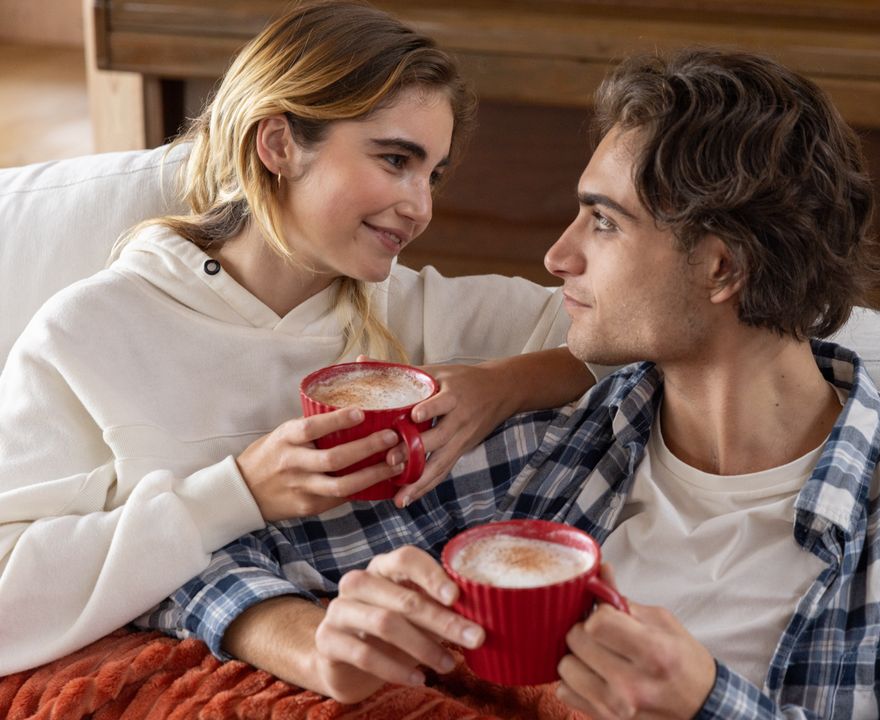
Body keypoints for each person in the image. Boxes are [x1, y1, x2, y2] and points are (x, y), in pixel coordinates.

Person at [141, 50, 880, 718]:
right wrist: (320, 636)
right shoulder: (557, 446)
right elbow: (190, 569)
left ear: (720, 268)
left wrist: (710, 706)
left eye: (604, 223)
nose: (557, 256)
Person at [0, 0, 598, 675]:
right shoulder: (90, 335)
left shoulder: (410, 308)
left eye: (432, 174)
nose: (421, 206)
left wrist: (501, 384)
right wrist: (239, 493)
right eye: (396, 159)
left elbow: (622, 335)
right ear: (279, 144)